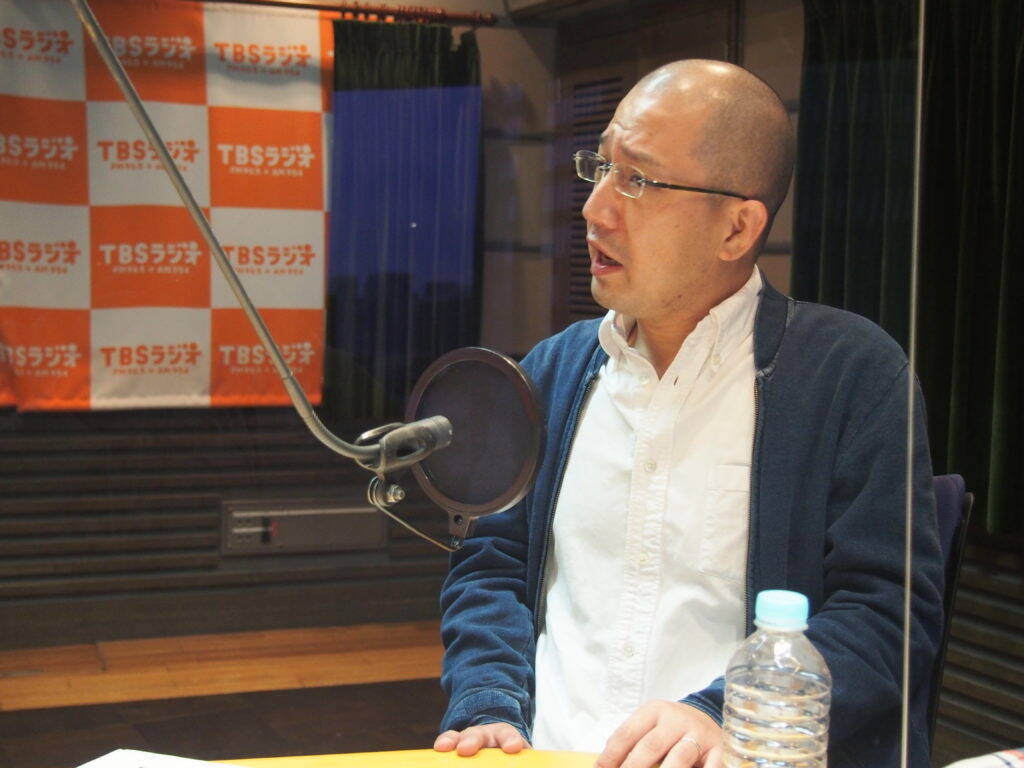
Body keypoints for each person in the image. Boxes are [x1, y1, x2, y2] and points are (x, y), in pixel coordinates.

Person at [432, 59, 943, 768]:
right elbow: (491, 564)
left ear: (737, 228)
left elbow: (888, 615)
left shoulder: (849, 376)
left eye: (638, 180)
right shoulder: (553, 371)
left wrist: (720, 715)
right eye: (600, 168)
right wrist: (489, 701)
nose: (595, 209)